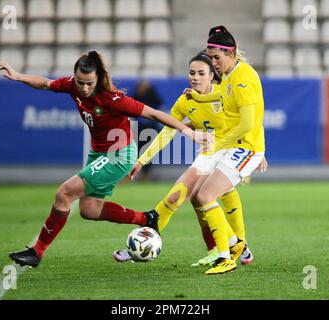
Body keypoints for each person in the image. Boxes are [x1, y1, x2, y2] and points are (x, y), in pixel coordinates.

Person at [0, 51, 210, 268]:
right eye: (81, 83)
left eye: (90, 83)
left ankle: (37, 251)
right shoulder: (72, 85)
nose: (85, 88)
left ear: (98, 79)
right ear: (75, 77)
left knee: (64, 193)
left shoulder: (112, 98)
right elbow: (45, 83)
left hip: (118, 155)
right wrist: (19, 76)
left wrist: (188, 131)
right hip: (98, 154)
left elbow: (154, 114)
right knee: (89, 210)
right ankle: (147, 219)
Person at [112, 52, 266, 267]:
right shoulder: (185, 102)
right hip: (210, 153)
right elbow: (167, 132)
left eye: (201, 73)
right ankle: (233, 245)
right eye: (192, 73)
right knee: (185, 196)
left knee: (205, 195)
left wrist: (256, 152)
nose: (195, 77)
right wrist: (142, 159)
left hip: (234, 151)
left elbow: (251, 117)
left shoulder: (225, 93)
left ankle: (235, 244)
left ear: (212, 75)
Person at [184, 25, 266, 274]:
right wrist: (199, 98)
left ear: (232, 53)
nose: (214, 63)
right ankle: (236, 245)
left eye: (217, 58)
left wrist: (217, 144)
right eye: (211, 58)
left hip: (245, 148)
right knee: (197, 195)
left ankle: (226, 257)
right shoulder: (230, 74)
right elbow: (223, 98)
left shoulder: (243, 79)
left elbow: (246, 124)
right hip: (234, 146)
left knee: (205, 196)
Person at [131, 80, 163, 181]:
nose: (142, 88)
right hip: (139, 129)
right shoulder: (136, 98)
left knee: (148, 153)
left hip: (151, 129)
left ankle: (146, 176)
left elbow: (158, 110)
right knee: (134, 152)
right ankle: (130, 175)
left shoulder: (154, 99)